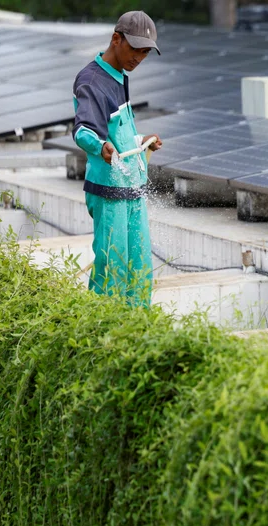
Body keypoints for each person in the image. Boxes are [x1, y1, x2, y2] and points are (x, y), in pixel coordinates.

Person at [72, 10, 163, 308]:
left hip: (130, 187)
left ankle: (138, 332)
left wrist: (140, 141)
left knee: (139, 268)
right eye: (135, 49)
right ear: (116, 39)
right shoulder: (91, 79)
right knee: (113, 268)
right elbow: (84, 131)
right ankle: (102, 335)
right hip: (108, 191)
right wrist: (100, 148)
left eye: (145, 53)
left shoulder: (119, 75)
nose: (138, 57)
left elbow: (118, 131)